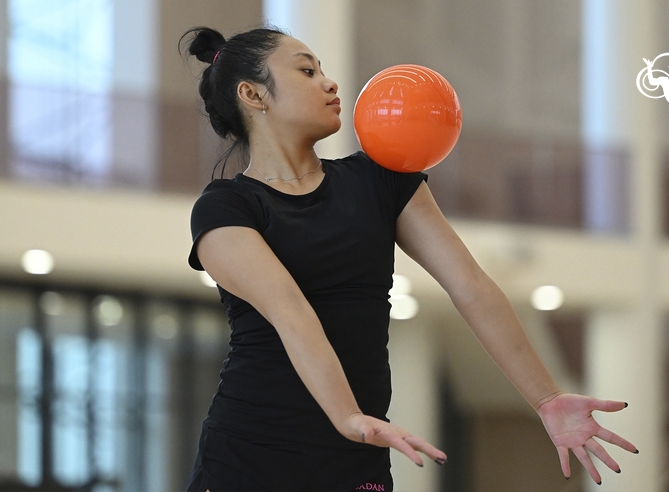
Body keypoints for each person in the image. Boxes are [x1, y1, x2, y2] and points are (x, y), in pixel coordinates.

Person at [182, 26, 638, 492]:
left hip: (355, 454)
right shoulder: (225, 208)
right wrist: (349, 417)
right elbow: (291, 312)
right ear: (252, 94)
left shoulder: (380, 181)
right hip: (251, 451)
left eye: (322, 69)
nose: (329, 82)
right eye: (306, 70)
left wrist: (547, 397)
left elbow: (471, 286)